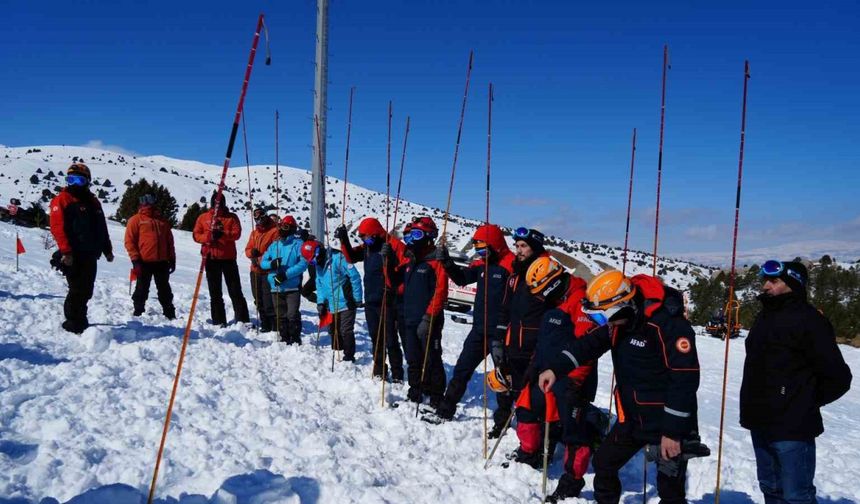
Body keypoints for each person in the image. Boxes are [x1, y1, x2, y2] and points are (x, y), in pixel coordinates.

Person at [538, 270, 705, 503]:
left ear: (621, 305)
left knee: (670, 490)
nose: (602, 323)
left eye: (602, 317)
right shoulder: (618, 322)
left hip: (667, 423)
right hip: (633, 418)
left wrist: (673, 432)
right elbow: (588, 345)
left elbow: (684, 380)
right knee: (604, 464)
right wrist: (556, 368)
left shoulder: (668, 325)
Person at [740, 260, 852, 503]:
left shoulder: (810, 321)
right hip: (760, 420)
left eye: (774, 281)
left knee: (796, 496)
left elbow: (839, 377)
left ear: (793, 284)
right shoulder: (764, 316)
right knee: (770, 488)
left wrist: (802, 400)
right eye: (765, 280)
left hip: (792, 427)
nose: (766, 286)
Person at [509, 256, 598, 502]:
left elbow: (587, 348)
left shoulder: (581, 303)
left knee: (573, 433)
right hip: (544, 374)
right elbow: (545, 341)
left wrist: (574, 382)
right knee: (526, 410)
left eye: (540, 292)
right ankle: (530, 453)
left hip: (572, 381)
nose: (539, 297)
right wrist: (533, 366)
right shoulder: (553, 303)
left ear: (552, 283)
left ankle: (572, 481)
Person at [425, 224, 514, 422]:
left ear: (495, 245)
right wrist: (447, 263)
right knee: (462, 369)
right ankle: (445, 410)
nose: (480, 252)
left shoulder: (511, 265)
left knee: (502, 378)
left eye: (483, 247)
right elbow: (462, 279)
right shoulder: (481, 263)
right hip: (479, 330)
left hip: (501, 333)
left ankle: (502, 420)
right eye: (478, 248)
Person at [491, 227, 551, 438]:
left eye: (523, 246)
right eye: (516, 246)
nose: (519, 250)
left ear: (535, 248)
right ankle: (502, 422)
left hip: (533, 345)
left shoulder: (548, 275)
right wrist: (498, 336)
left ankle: (533, 436)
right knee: (505, 383)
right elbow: (505, 307)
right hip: (512, 341)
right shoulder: (514, 275)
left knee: (530, 393)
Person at [336, 217, 408, 380]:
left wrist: (396, 289)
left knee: (390, 339)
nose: (364, 241)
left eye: (366, 237)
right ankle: (379, 369)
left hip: (389, 300)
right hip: (371, 299)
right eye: (362, 238)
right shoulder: (369, 246)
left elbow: (404, 273)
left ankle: (397, 373)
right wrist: (344, 239)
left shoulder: (394, 246)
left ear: (375, 234)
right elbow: (351, 257)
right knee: (376, 337)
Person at [50, 163, 114, 333]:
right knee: (77, 289)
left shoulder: (93, 202)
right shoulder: (62, 199)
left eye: (79, 180)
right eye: (71, 179)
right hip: (73, 253)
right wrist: (66, 251)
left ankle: (81, 319)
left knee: (87, 289)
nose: (74, 184)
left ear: (87, 181)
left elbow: (102, 227)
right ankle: (72, 322)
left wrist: (107, 248)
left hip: (91, 253)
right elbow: (57, 227)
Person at [391, 216, 448, 406]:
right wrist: (386, 263)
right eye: (410, 235)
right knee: (413, 358)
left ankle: (436, 394)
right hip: (409, 318)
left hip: (428, 319)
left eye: (417, 234)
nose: (412, 239)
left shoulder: (436, 260)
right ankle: (416, 389)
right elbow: (394, 283)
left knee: (431, 358)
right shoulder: (411, 260)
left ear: (429, 236)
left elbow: (440, 291)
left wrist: (429, 316)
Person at [193, 192, 250, 326]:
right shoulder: (203, 217)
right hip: (211, 258)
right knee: (215, 292)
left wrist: (223, 234)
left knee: (235, 290)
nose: (219, 207)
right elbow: (196, 235)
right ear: (212, 204)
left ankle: (243, 320)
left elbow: (237, 234)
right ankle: (219, 321)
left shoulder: (231, 217)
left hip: (228, 259)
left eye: (221, 204)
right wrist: (210, 237)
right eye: (216, 204)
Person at [302, 239, 363, 361]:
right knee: (332, 329)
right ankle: (337, 351)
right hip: (330, 303)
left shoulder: (338, 258)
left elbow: (355, 276)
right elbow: (319, 285)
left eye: (315, 259)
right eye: (312, 262)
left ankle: (349, 357)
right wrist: (320, 302)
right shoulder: (319, 266)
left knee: (346, 330)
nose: (315, 262)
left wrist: (357, 298)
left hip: (346, 301)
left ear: (319, 251)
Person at [124, 193, 176, 319]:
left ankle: (169, 312)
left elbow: (169, 241)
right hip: (143, 261)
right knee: (141, 288)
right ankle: (138, 311)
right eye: (144, 200)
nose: (147, 203)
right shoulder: (136, 220)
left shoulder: (162, 221)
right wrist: (135, 259)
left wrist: (172, 258)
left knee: (164, 289)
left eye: (150, 200)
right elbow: (129, 241)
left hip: (162, 261)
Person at [260, 216, 307, 344]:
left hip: (291, 286)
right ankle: (284, 338)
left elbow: (303, 264)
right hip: (275, 286)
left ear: (292, 229)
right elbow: (262, 263)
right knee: (280, 315)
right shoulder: (274, 245)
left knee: (292, 314)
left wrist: (286, 275)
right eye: (280, 226)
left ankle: (295, 339)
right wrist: (271, 264)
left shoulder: (298, 245)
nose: (281, 229)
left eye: (285, 227)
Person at [245, 208, 279, 332]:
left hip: (267, 271)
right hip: (254, 270)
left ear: (266, 217)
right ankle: (264, 322)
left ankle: (273, 324)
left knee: (267, 298)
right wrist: (251, 254)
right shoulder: (254, 233)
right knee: (257, 298)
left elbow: (275, 251)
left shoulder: (274, 232)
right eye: (256, 219)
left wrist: (261, 259)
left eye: (261, 218)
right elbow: (248, 249)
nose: (259, 221)